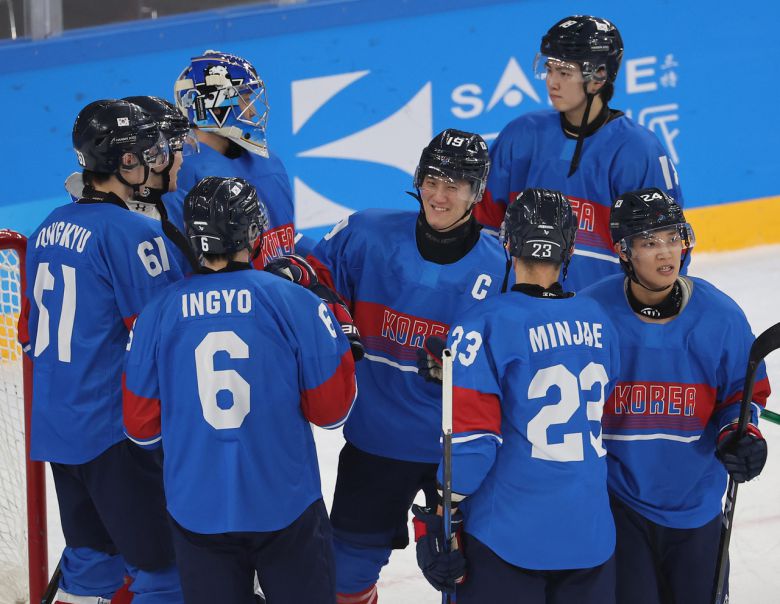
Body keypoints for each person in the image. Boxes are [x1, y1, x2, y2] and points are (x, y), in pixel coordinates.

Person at [123, 176, 357, 604]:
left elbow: (140, 428)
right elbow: (331, 412)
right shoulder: (295, 301)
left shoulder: (155, 314)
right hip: (284, 504)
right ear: (253, 232)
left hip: (197, 509)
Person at [306, 129, 507, 603]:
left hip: (461, 455)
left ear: (477, 193)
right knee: (346, 579)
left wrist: (467, 373)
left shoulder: (502, 267)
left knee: (471, 578)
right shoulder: (366, 234)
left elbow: (514, 364)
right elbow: (312, 274)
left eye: (455, 184)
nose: (439, 195)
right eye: (432, 180)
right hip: (378, 441)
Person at [413, 188, 621, 603]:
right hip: (589, 532)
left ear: (507, 243)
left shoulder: (483, 323)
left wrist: (441, 511)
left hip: (508, 534)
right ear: (570, 248)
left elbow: (474, 444)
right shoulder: (599, 318)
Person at [20, 99, 184, 603]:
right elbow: (167, 334)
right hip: (113, 432)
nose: (158, 159)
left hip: (56, 428)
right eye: (145, 152)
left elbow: (28, 333)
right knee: (163, 570)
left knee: (92, 565)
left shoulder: (47, 225)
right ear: (125, 163)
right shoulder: (133, 232)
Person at [579, 188, 771, 604]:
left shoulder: (720, 316)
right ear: (624, 251)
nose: (667, 253)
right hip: (617, 502)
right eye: (649, 242)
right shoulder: (590, 312)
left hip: (696, 503)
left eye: (673, 238)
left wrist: (741, 434)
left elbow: (744, 391)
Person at [474, 15, 684, 291]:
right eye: (549, 69)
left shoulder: (637, 151)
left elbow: (666, 245)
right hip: (526, 307)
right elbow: (484, 225)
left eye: (564, 72)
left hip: (605, 317)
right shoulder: (521, 135)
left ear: (598, 77)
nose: (552, 82)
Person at [169, 50, 303, 266]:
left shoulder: (268, 159)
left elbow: (284, 240)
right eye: (245, 99)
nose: (251, 112)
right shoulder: (185, 171)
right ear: (213, 104)